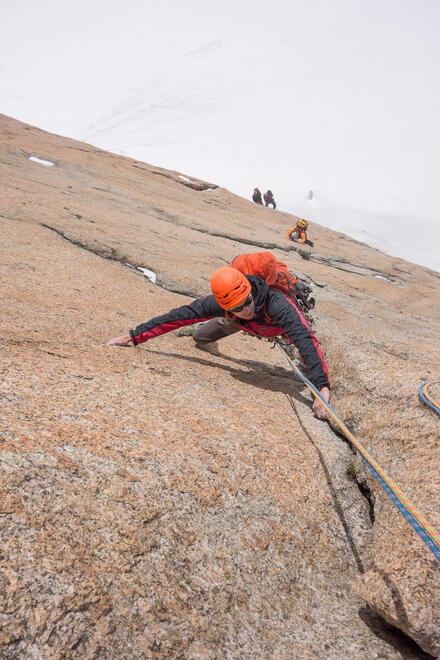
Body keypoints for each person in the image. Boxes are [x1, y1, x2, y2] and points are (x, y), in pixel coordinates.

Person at [108, 267, 330, 419]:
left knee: (301, 349)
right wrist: (134, 336)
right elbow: (177, 316)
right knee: (200, 337)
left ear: (251, 293)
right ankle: (208, 325)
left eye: (248, 302)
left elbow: (305, 339)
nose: (247, 310)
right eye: (238, 307)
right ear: (225, 306)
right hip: (241, 324)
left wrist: (321, 389)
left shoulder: (278, 305)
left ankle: (292, 353)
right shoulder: (223, 305)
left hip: (277, 327)